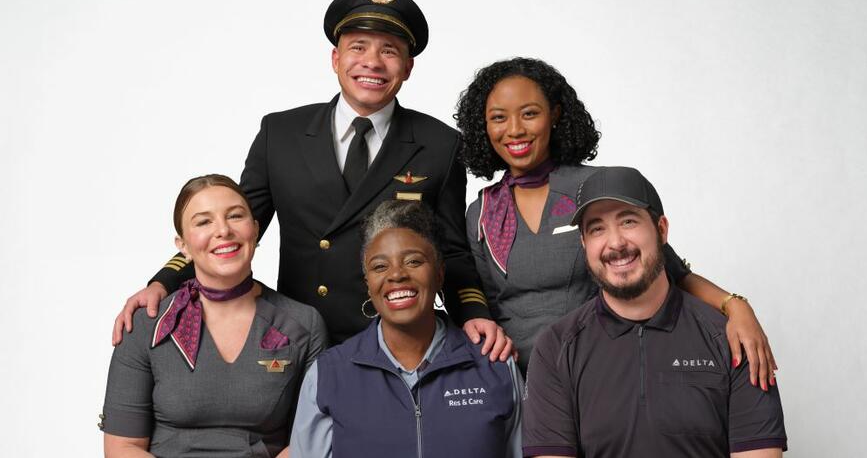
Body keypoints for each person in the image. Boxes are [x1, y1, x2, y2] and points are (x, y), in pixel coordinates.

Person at [112, 0, 510, 358]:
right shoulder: (280, 133)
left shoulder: (440, 144)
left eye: (389, 50)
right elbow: (235, 227)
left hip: (396, 339)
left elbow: (452, 250)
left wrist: (473, 313)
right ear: (336, 59)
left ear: (407, 67)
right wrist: (162, 283)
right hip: (300, 338)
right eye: (358, 47)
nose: (372, 62)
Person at [457, 57, 776, 381]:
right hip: (521, 388)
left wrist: (735, 306)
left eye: (529, 113)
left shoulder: (596, 190)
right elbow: (489, 312)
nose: (514, 129)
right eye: (499, 118)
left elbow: (672, 271)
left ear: (554, 115)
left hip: (605, 372)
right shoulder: (481, 213)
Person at [523, 166, 787, 457]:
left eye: (628, 221)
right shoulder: (556, 349)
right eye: (597, 228)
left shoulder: (733, 340)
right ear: (584, 243)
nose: (615, 243)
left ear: (661, 230)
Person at [100, 174, 327, 457]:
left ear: (255, 229)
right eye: (204, 221)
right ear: (182, 245)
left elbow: (307, 441)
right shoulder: (146, 325)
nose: (223, 231)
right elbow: (123, 447)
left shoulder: (303, 324)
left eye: (235, 216)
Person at [290, 200, 524, 457]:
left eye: (413, 261)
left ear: (439, 274)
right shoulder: (327, 375)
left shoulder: (494, 364)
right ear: (368, 284)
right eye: (380, 266)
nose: (396, 275)